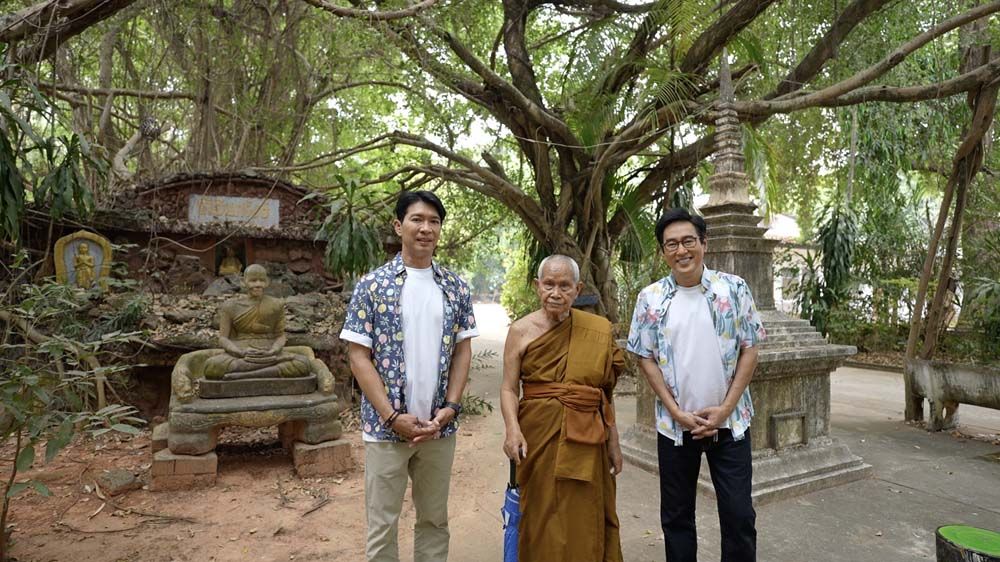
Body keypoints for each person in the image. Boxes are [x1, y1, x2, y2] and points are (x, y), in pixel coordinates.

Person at [340, 191, 478, 562]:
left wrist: (451, 407)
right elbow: (358, 356)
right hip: (385, 430)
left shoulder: (455, 287)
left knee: (434, 520)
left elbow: (462, 350)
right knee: (382, 524)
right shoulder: (372, 286)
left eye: (434, 221)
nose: (426, 228)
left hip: (438, 429)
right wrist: (391, 417)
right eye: (417, 219)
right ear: (399, 226)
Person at [626, 208, 765, 562]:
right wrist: (676, 412)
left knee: (738, 515)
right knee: (676, 518)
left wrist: (725, 410)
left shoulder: (734, 289)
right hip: (676, 427)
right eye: (671, 244)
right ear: (663, 251)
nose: (681, 250)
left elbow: (751, 348)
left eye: (688, 241)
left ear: (704, 243)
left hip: (730, 424)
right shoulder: (650, 298)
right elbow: (645, 356)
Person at [500, 254, 624, 562]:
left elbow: (604, 393)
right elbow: (508, 388)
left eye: (565, 286)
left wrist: (614, 441)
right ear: (537, 286)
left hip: (588, 436)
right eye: (549, 284)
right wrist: (512, 430)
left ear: (577, 289)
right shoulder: (521, 330)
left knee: (583, 512)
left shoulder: (597, 329)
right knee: (540, 510)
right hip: (537, 434)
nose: (556, 293)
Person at [203, 264, 311, 380]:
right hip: (242, 353)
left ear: (267, 282)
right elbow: (223, 338)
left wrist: (274, 350)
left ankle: (247, 375)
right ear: (243, 282)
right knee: (212, 366)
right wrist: (240, 352)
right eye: (253, 281)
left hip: (269, 352)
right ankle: (267, 372)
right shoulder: (230, 306)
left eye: (262, 280)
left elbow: (280, 336)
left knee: (302, 363)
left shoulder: (276, 304)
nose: (258, 284)